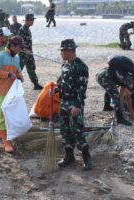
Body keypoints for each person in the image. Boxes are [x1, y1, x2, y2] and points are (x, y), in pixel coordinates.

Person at [53, 39, 91, 171]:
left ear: (70, 51)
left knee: (77, 129)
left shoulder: (81, 66)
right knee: (65, 129)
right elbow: (62, 82)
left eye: (63, 50)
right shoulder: (65, 65)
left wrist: (77, 106)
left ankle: (86, 157)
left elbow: (82, 88)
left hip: (74, 102)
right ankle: (69, 156)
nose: (61, 53)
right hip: (64, 101)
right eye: (61, 50)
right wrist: (56, 89)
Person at [0, 36, 24, 153]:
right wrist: (8, 74)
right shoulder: (0, 56)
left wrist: (20, 76)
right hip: (1, 91)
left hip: (12, 92)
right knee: (1, 115)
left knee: (10, 115)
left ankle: (1, 131)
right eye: (19, 47)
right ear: (13, 46)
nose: (20, 49)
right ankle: (6, 141)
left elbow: (19, 70)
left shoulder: (16, 58)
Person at [97, 56, 134, 126]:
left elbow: (122, 93)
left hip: (101, 73)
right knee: (115, 96)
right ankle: (119, 118)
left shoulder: (121, 72)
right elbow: (126, 97)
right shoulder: (127, 79)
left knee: (110, 90)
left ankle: (107, 107)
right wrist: (131, 112)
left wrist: (121, 107)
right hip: (104, 78)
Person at [18, 14, 43, 90]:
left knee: (31, 68)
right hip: (23, 53)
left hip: (29, 53)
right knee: (19, 69)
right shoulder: (22, 29)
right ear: (27, 21)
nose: (33, 22)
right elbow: (20, 41)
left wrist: (29, 51)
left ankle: (35, 84)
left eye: (33, 20)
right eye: (31, 20)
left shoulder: (28, 29)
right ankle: (12, 84)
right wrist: (25, 50)